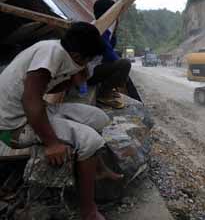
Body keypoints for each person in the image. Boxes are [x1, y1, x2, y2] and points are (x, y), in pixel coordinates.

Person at [0, 22, 120, 220]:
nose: (88, 66)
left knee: (99, 118)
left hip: (28, 112)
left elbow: (47, 89)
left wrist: (71, 80)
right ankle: (88, 211)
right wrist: (52, 143)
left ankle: (97, 168)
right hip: (10, 127)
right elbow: (30, 99)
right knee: (89, 139)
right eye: (88, 61)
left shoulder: (57, 50)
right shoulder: (52, 54)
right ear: (78, 57)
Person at [87, 0, 131, 109]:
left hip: (92, 68)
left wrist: (114, 31)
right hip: (88, 73)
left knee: (119, 59)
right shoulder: (99, 29)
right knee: (125, 64)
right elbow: (109, 54)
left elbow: (110, 48)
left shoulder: (103, 28)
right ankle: (104, 94)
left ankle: (108, 89)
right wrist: (121, 76)